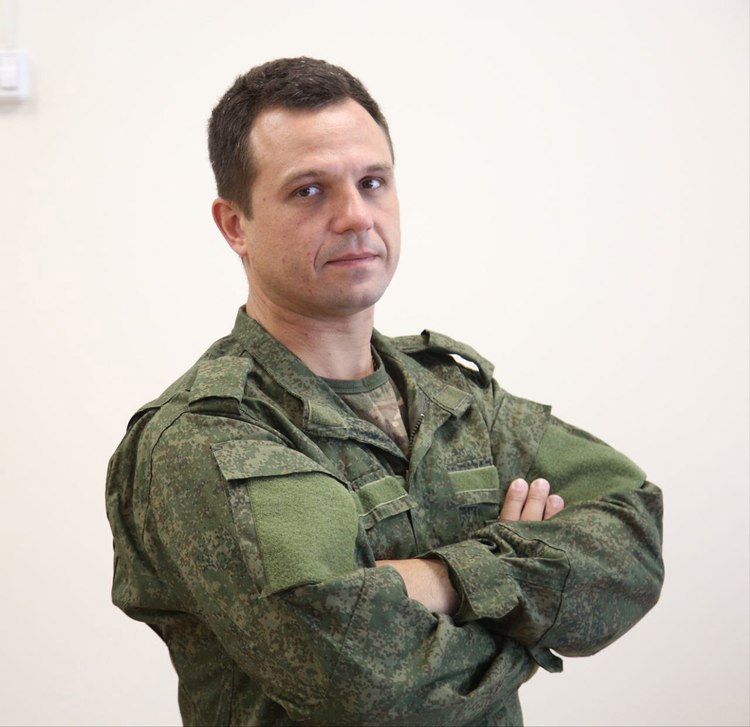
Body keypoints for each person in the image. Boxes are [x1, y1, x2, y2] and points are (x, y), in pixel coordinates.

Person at [106, 57, 664, 726]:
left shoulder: (454, 397)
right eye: (309, 191)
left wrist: (445, 579)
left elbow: (633, 540)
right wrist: (525, 613)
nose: (354, 215)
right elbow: (366, 686)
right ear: (235, 225)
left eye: (372, 182)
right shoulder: (210, 436)